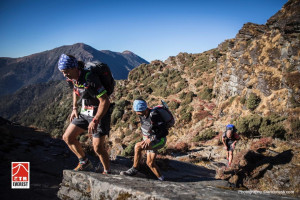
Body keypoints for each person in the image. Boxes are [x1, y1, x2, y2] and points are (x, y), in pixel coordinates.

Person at [57, 54, 112, 174]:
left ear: (74, 67)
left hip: (99, 112)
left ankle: (107, 172)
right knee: (68, 137)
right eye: (62, 72)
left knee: (97, 147)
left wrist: (96, 119)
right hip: (84, 110)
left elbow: (105, 101)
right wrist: (74, 107)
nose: (64, 75)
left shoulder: (90, 79)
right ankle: (84, 162)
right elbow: (75, 90)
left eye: (66, 71)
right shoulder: (71, 78)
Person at [120, 99, 167, 181]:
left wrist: (150, 139)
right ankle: (162, 179)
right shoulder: (142, 114)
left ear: (145, 109)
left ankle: (134, 169)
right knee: (150, 163)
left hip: (159, 140)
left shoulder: (155, 115)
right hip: (149, 139)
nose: (137, 113)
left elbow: (164, 132)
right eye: (137, 111)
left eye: (139, 111)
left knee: (137, 146)